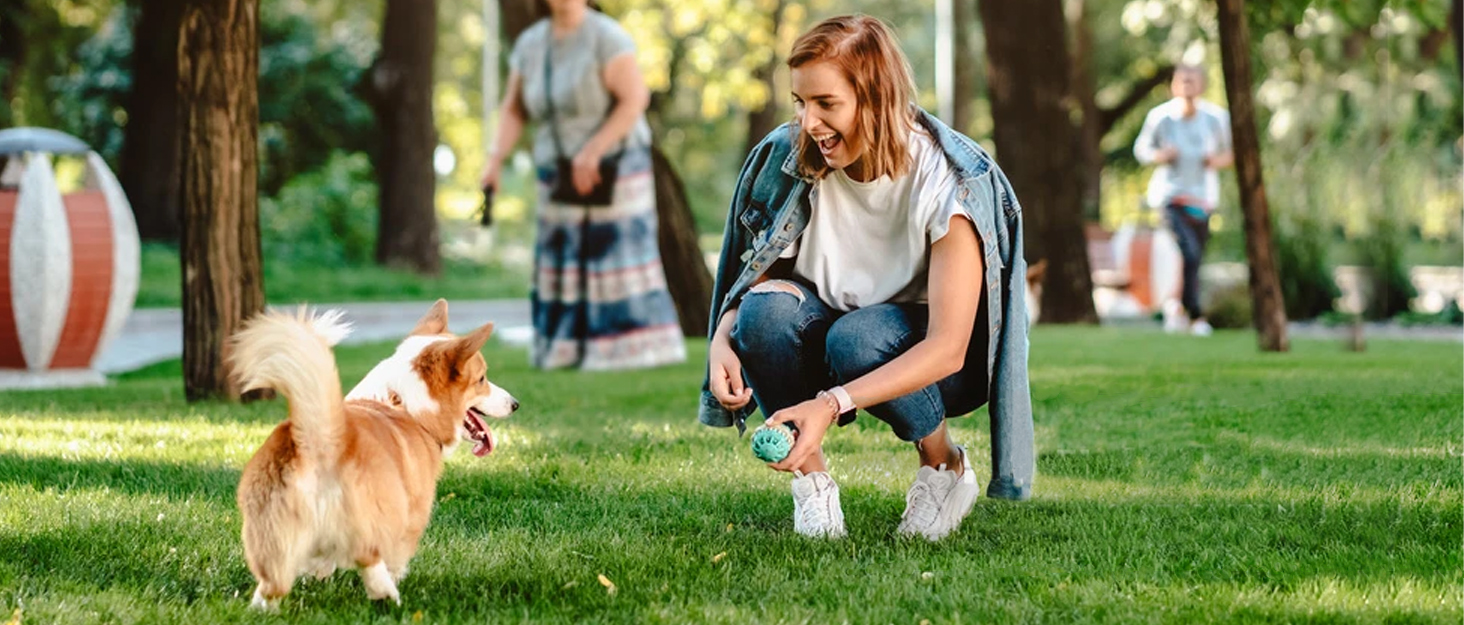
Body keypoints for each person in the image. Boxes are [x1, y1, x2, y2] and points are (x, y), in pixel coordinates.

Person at [698, 15, 1034, 541]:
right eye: (800, 102)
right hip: (824, 329)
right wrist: (724, 334)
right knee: (763, 314)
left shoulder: (948, 180)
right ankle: (812, 483)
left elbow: (949, 348)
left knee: (857, 337)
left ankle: (944, 466)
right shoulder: (791, 157)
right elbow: (761, 279)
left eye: (826, 103)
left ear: (876, 99)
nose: (809, 122)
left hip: (930, 360)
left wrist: (830, 404)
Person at [481, 0, 685, 370]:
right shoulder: (531, 43)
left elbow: (634, 99)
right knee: (562, 260)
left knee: (614, 259)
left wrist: (592, 151)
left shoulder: (607, 37)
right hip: (558, 169)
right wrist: (494, 160)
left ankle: (629, 353)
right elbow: (514, 108)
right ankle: (564, 352)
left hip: (615, 165)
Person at [1133, 63, 1234, 337]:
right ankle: (1196, 314)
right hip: (1170, 197)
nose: (1187, 85)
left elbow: (1231, 153)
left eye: (1192, 80)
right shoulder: (1161, 117)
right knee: (1189, 252)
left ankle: (1176, 308)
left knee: (1194, 258)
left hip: (1202, 199)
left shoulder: (1216, 118)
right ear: (1174, 85)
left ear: (1202, 84)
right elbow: (1141, 150)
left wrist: (1214, 161)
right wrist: (1161, 155)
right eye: (1182, 80)